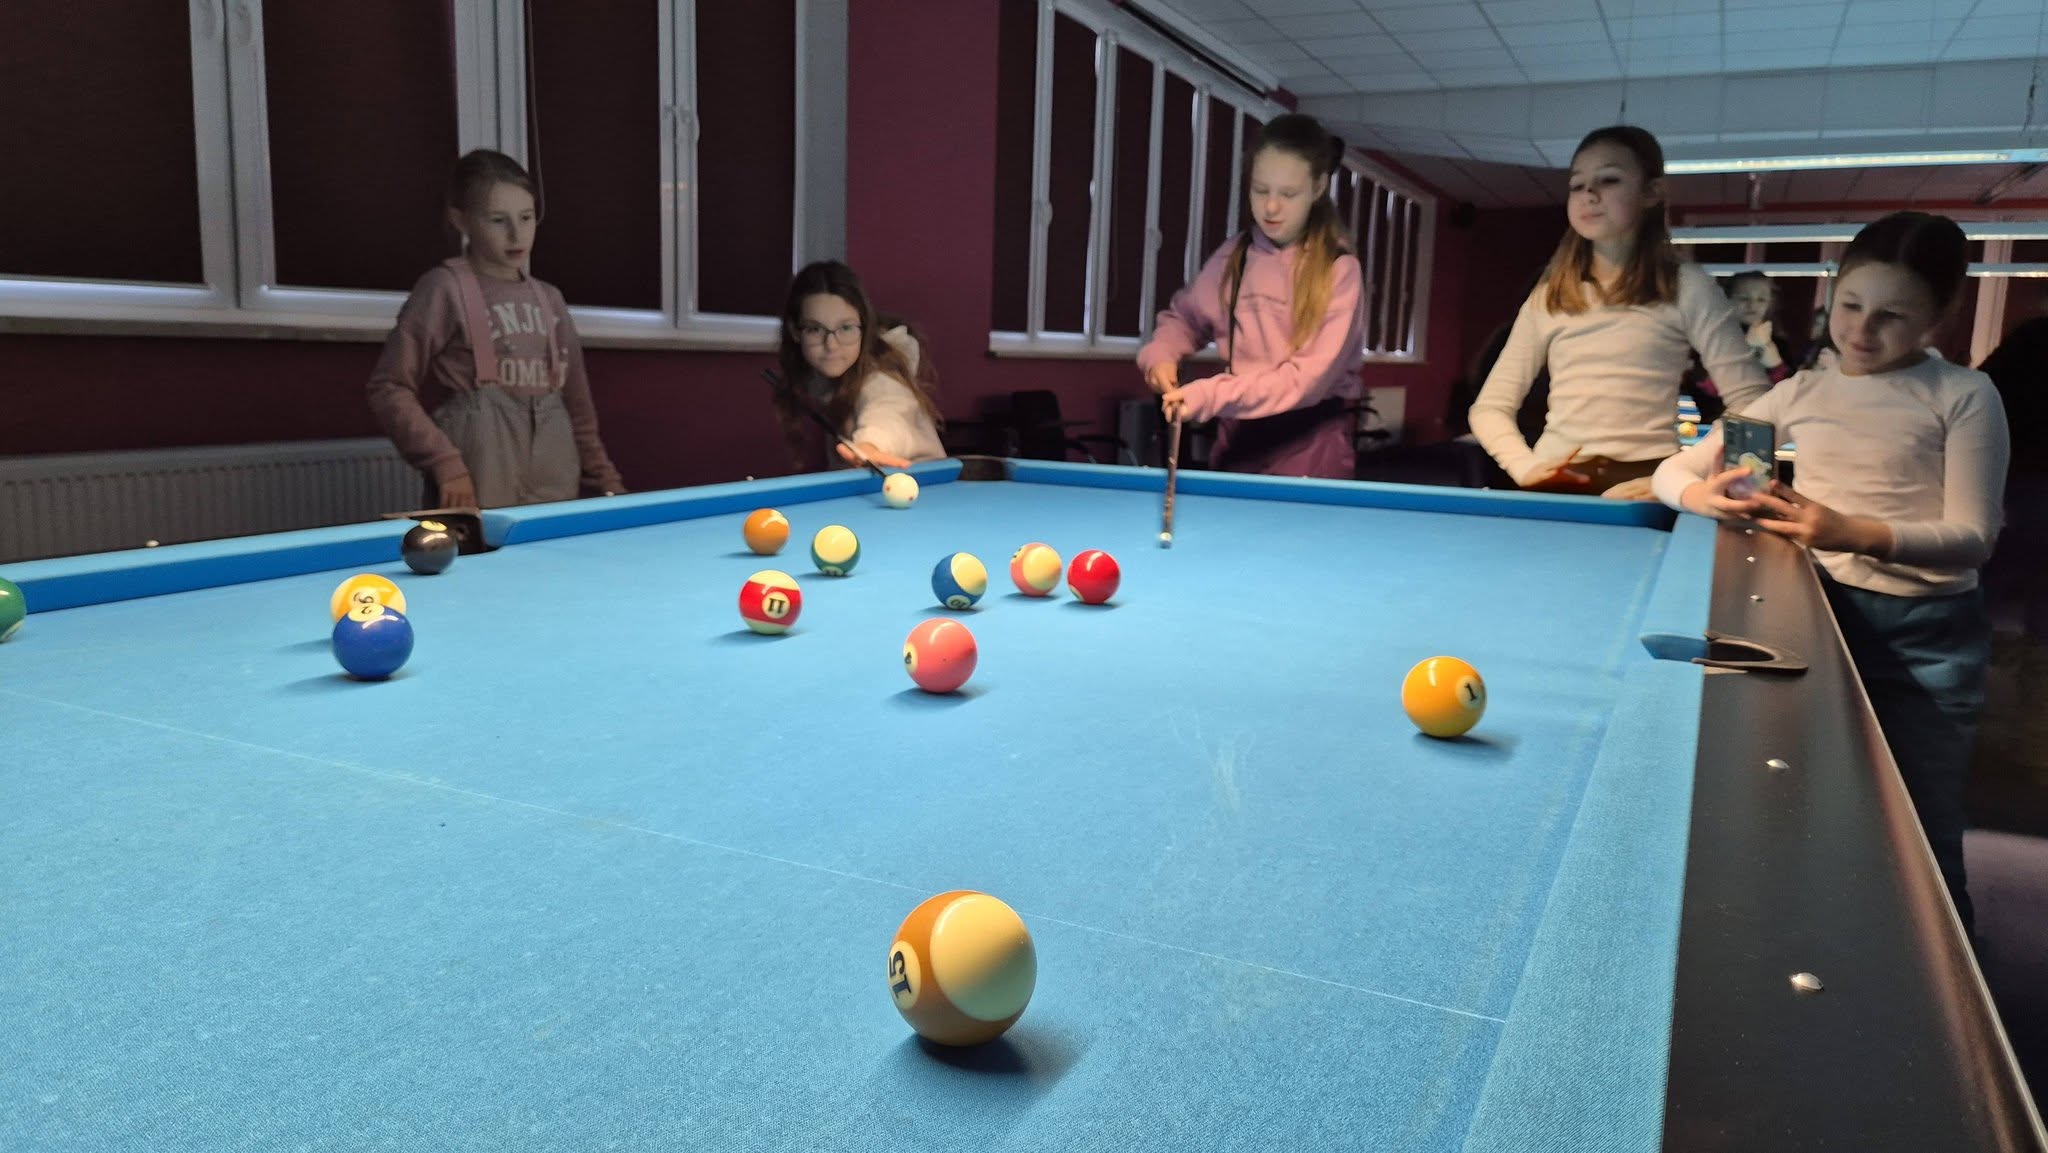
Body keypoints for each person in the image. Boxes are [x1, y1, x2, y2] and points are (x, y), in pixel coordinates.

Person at [1652, 211, 2009, 933]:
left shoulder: (1964, 395)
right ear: (1831, 294)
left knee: (1923, 829)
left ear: (1940, 314)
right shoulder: (1800, 392)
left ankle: (1955, 983)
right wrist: (1701, 495)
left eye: (1892, 315)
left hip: (1926, 643)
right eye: (1850, 305)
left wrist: (1846, 531)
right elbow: (1671, 470)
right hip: (1816, 617)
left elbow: (1975, 538)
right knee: (1807, 802)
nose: (1862, 330)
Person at [1468, 126, 1773, 498]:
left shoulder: (1688, 286)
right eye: (1577, 185)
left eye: (1608, 179)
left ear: (1652, 192)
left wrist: (1684, 474)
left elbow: (1754, 403)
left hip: (1647, 483)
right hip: (1556, 481)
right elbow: (1489, 408)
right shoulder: (1550, 295)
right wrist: (1525, 467)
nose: (1589, 195)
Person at [367, 149, 623, 509]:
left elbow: (577, 404)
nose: (516, 234)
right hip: (477, 480)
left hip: (553, 483)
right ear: (461, 219)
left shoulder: (550, 300)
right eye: (498, 220)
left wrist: (605, 480)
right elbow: (389, 387)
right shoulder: (443, 288)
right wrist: (444, 463)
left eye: (526, 217)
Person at [1135, 113, 1367, 478]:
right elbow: (1185, 320)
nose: (1271, 207)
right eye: (1260, 190)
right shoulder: (1235, 255)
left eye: (1288, 194)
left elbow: (1304, 382)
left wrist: (1210, 395)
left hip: (1309, 448)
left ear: (1318, 187)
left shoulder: (1339, 270)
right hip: (1238, 443)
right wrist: (1161, 355)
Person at [772, 260, 944, 473]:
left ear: (864, 327)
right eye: (815, 329)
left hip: (926, 488)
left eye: (845, 327)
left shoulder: (882, 377)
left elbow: (888, 409)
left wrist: (869, 446)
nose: (831, 345)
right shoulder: (824, 378)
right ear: (795, 331)